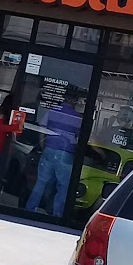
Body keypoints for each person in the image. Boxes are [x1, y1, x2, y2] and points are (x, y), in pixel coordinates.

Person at [26, 92, 86, 220]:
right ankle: (57, 214)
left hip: (49, 149)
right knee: (63, 186)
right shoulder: (77, 117)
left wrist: (44, 146)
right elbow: (80, 138)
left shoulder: (52, 111)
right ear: (73, 101)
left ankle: (31, 208)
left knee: (41, 182)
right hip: (65, 152)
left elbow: (42, 130)